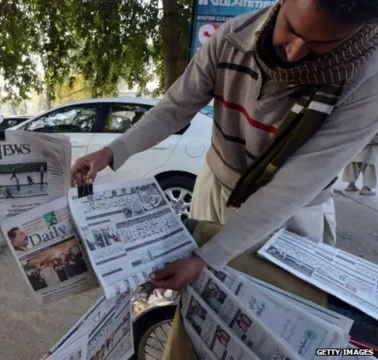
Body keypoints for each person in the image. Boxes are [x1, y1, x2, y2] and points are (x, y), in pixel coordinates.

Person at [71, 0, 378, 291]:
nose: (295, 53)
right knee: (195, 304)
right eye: (292, 31)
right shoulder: (231, 39)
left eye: (319, 46)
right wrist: (112, 151)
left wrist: (207, 257)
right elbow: (175, 108)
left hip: (291, 213)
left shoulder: (367, 81)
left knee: (269, 321)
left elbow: (293, 186)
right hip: (216, 188)